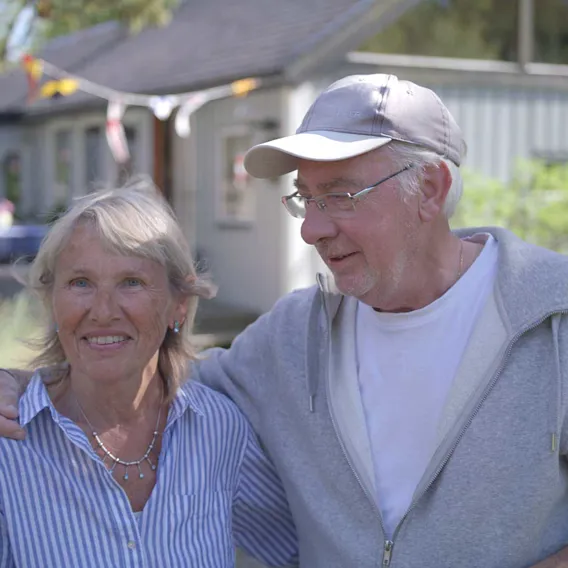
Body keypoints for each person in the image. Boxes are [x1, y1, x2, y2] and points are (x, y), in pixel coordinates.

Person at [1, 73, 567, 567]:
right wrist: (28, 383)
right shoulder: (291, 338)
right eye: (306, 199)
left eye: (341, 195)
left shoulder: (552, 317)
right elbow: (141, 375)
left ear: (433, 189)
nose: (310, 230)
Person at [0, 182, 297, 567]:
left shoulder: (220, 431)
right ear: (51, 301)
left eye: (132, 283)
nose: (103, 310)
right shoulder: (9, 440)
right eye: (80, 283)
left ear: (179, 305)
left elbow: (302, 549)